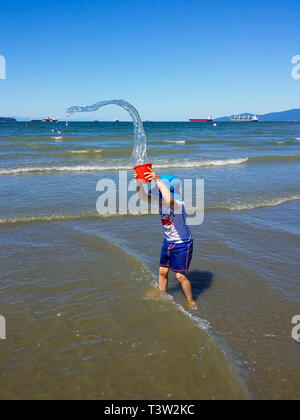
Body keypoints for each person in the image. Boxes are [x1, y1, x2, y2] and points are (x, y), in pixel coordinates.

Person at [134, 167, 197, 309]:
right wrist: (138, 181)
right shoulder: (161, 202)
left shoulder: (179, 204)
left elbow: (169, 199)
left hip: (182, 244)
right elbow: (143, 196)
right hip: (168, 241)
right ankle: (161, 291)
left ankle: (191, 299)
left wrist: (157, 179)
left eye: (161, 191)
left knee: (180, 276)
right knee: (162, 271)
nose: (159, 196)